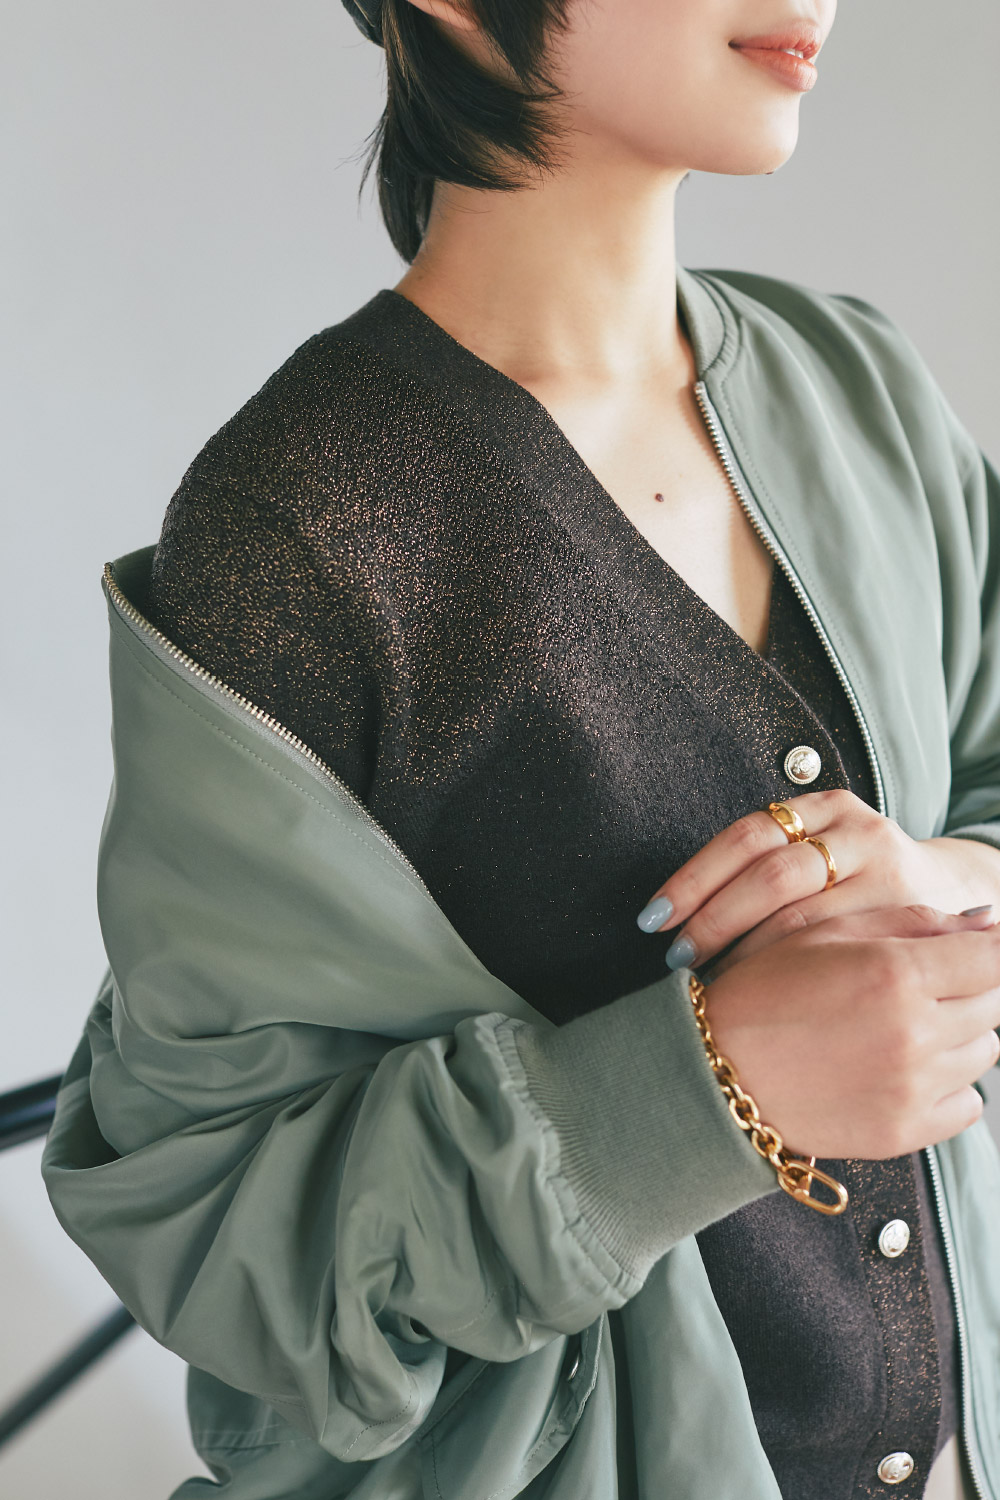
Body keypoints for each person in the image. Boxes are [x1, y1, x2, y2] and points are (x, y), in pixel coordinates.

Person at [40, 2, 1000, 1498]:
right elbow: (230, 1242)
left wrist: (945, 884)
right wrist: (706, 1086)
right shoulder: (303, 526)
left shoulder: (855, 386)